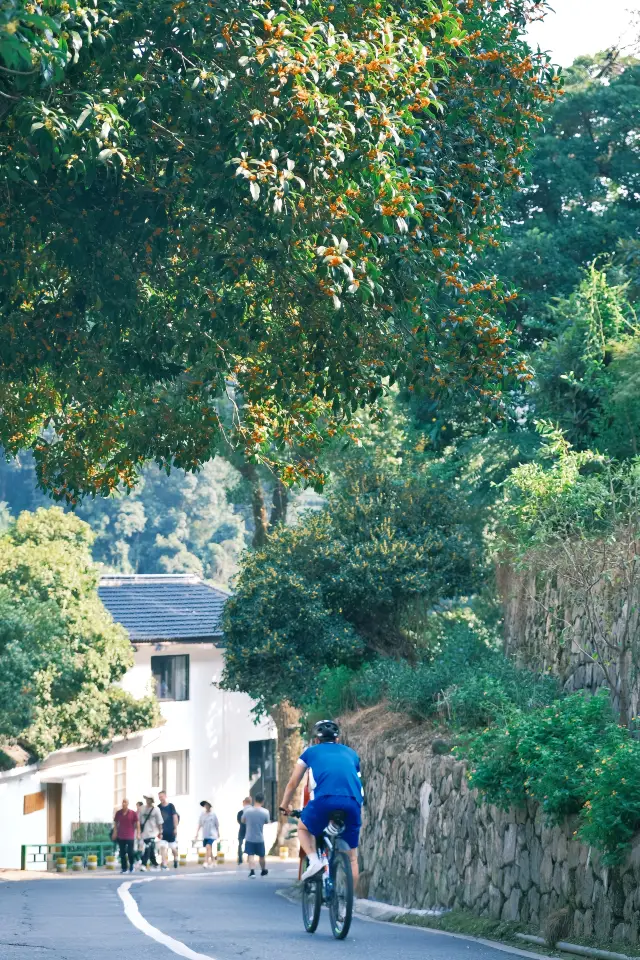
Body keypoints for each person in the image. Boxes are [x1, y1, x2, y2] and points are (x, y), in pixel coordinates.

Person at [280, 719, 363, 883]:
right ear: (337, 739)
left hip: (324, 800)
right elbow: (356, 781)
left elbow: (293, 783)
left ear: (316, 740)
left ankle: (315, 862)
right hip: (353, 802)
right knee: (352, 858)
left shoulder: (310, 752)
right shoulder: (352, 754)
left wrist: (284, 805)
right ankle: (353, 902)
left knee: (303, 828)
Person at [242, 793, 270, 878]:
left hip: (249, 836)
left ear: (255, 800)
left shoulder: (248, 811)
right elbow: (267, 821)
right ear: (263, 801)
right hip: (259, 837)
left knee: (250, 854)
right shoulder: (265, 812)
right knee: (261, 855)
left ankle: (252, 872)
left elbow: (243, 820)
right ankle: (263, 870)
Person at [112, 798, 139, 874]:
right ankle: (124, 868)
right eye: (123, 802)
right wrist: (115, 832)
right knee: (122, 852)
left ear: (128, 804)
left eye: (125, 802)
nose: (124, 804)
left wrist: (138, 833)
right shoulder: (118, 813)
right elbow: (116, 823)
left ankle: (131, 865)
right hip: (121, 835)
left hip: (130, 835)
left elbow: (137, 823)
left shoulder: (132, 813)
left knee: (130, 852)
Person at [139, 793, 164, 871]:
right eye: (146, 799)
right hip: (144, 832)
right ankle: (155, 864)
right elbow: (138, 820)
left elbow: (160, 822)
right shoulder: (142, 809)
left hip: (153, 832)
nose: (147, 801)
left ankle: (143, 864)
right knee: (151, 849)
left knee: (148, 847)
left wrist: (160, 832)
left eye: (149, 799)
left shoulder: (156, 809)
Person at [158, 790, 179, 870]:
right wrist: (159, 830)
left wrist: (175, 828)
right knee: (163, 847)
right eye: (159, 797)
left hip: (171, 830)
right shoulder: (158, 807)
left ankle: (176, 858)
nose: (161, 798)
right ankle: (164, 863)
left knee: (173, 848)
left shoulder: (171, 806)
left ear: (165, 796)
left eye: (162, 796)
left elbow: (175, 817)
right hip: (163, 831)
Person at [194, 801, 219, 868]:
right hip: (205, 834)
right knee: (209, 848)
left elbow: (217, 824)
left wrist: (218, 833)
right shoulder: (203, 814)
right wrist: (197, 833)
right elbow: (200, 824)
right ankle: (213, 861)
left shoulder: (213, 815)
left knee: (208, 847)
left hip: (212, 834)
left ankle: (206, 861)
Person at [237, 797, 252, 865]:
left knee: (240, 843)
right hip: (250, 829)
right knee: (250, 843)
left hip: (242, 828)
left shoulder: (240, 812)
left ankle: (240, 859)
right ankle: (249, 858)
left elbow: (239, 821)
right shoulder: (253, 811)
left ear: (244, 802)